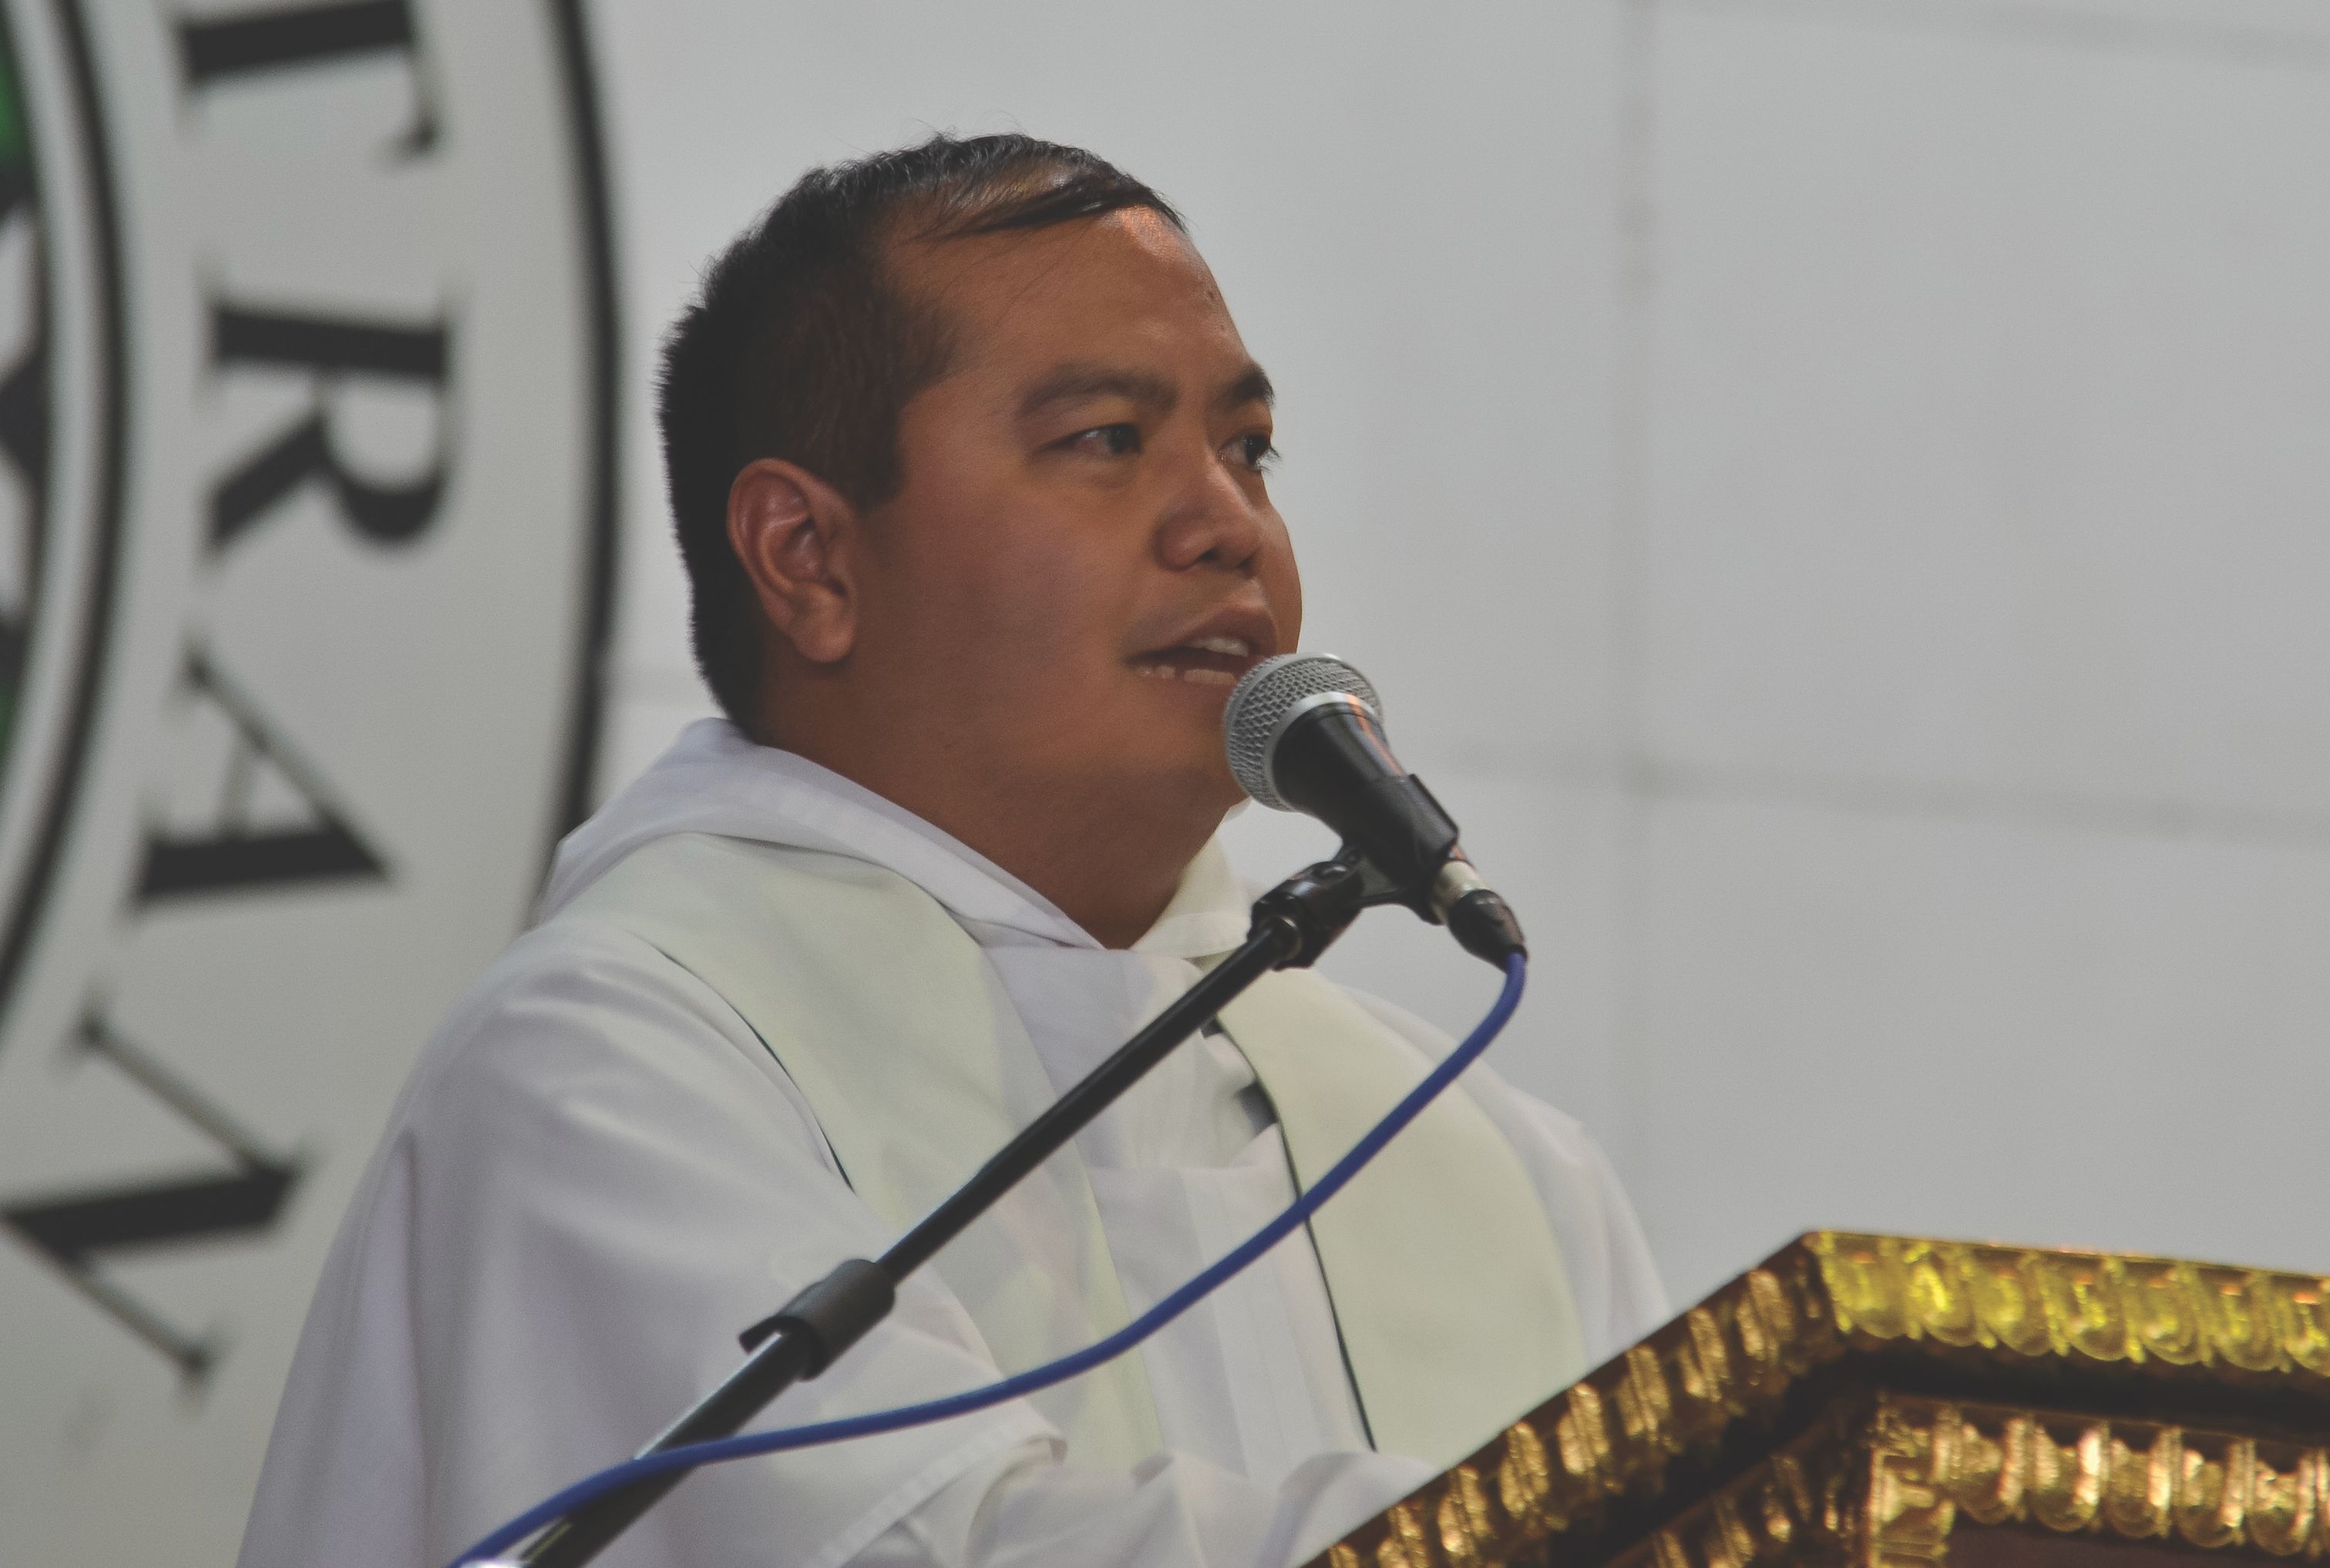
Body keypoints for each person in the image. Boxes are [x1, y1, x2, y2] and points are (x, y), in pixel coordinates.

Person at [238, 134, 1668, 1568]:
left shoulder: (1501, 1171)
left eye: (1249, 449)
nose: (1228, 525)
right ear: (808, 558)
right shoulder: (601, 1072)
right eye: (1107, 439)